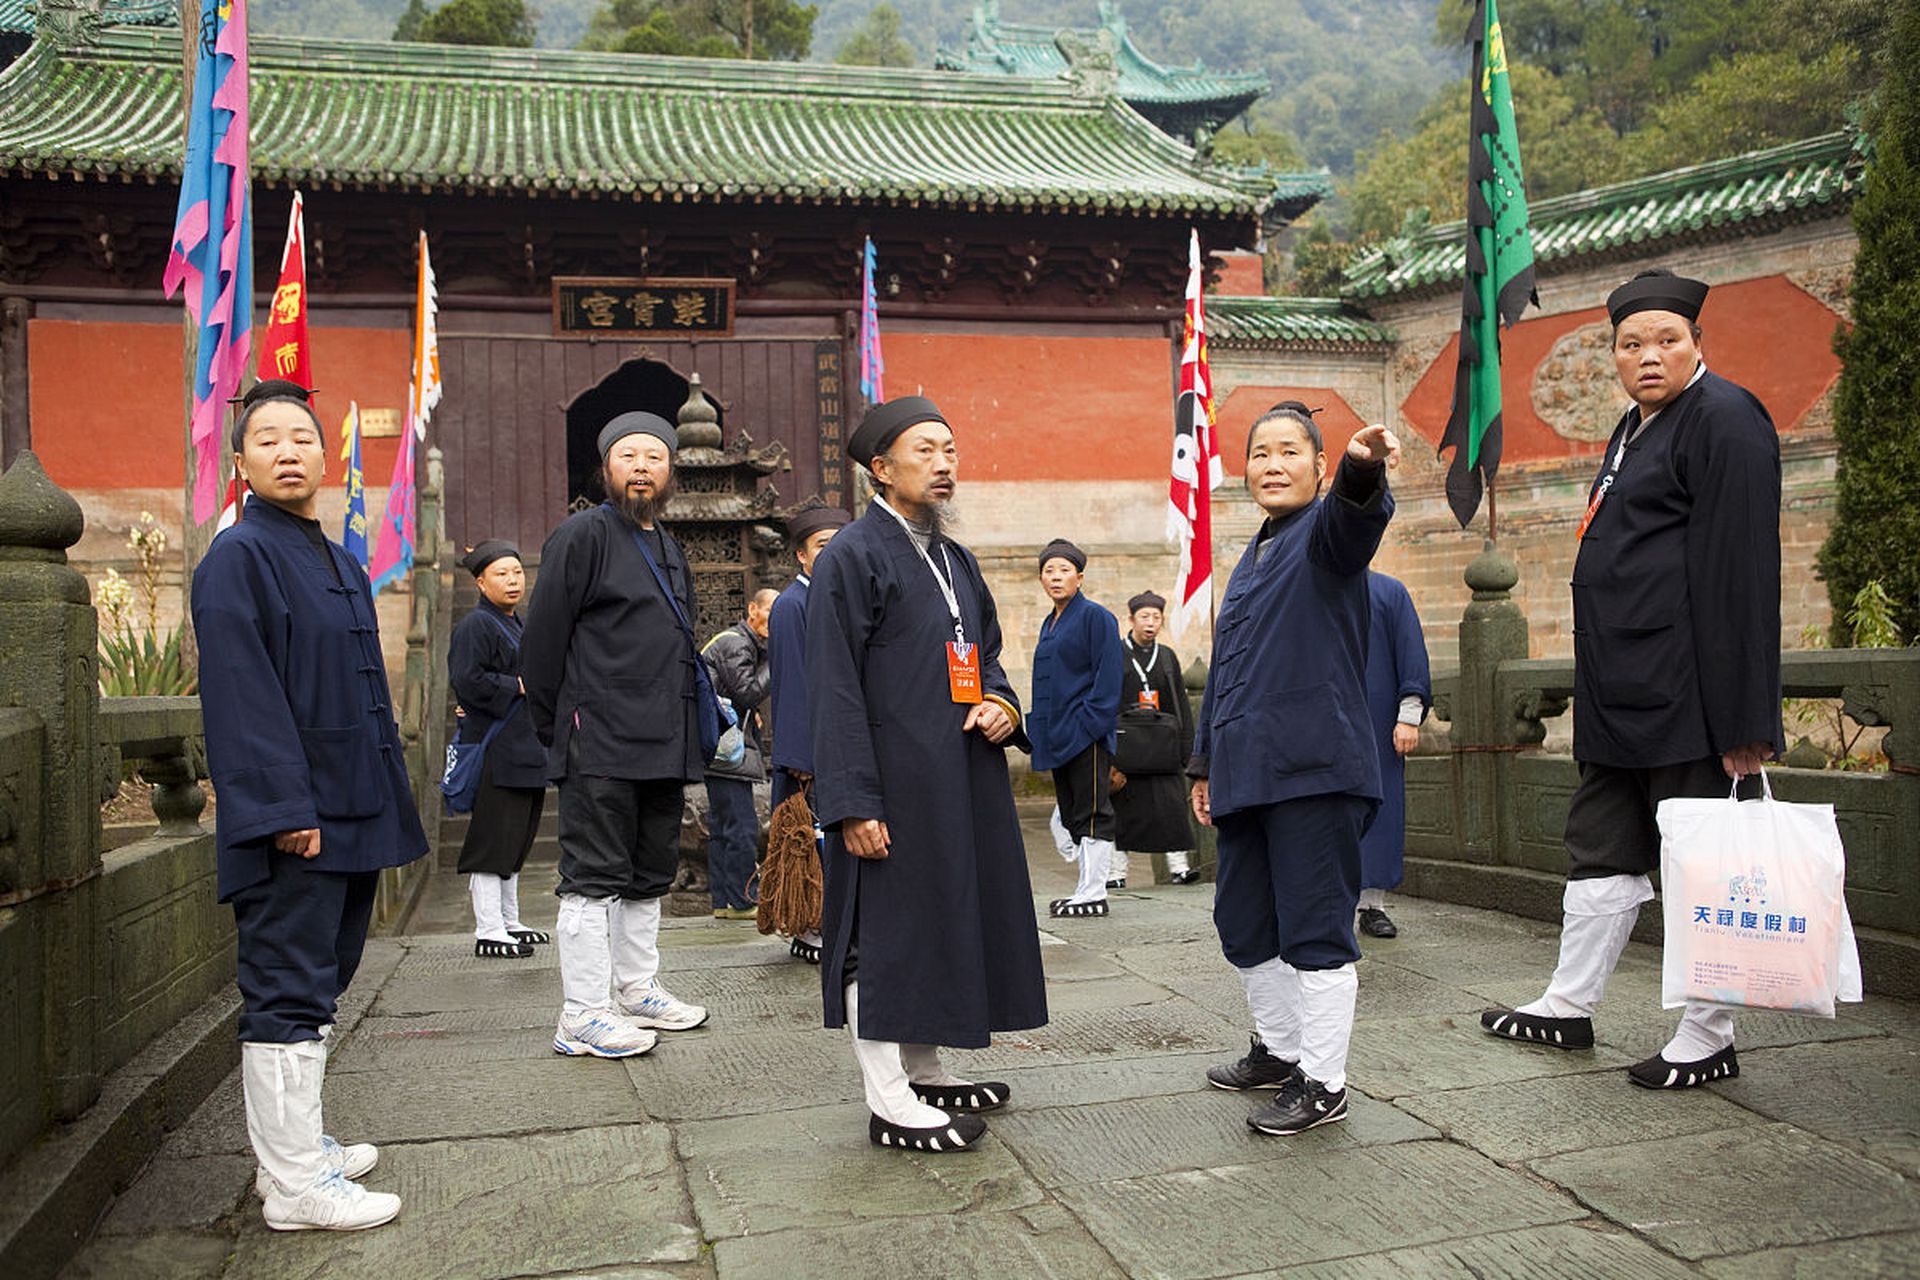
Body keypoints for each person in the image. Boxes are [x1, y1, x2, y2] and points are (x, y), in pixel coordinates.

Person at [1480, 269, 1783, 1089]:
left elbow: (1742, 575)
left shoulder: (1726, 419)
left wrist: (1747, 717)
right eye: (1630, 344)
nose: (1647, 356)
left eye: (1666, 340)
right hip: (1620, 689)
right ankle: (1568, 1005)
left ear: (1698, 345)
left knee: (1700, 865)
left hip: (1693, 693)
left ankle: (1708, 1034)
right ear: (1613, 355)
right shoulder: (1632, 427)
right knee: (1602, 846)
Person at [193, 379, 428, 1231]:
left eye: (301, 437)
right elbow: (242, 697)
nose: (288, 451)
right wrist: (281, 810)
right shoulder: (237, 557)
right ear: (242, 461)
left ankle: (299, 1150)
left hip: (350, 809)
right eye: (268, 441)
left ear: (323, 455)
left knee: (325, 981)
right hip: (295, 818)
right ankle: (293, 1188)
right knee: (287, 990)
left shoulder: (332, 555)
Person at [806, 395, 1047, 1152]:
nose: (944, 464)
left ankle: (923, 1066)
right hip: (890, 785)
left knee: (941, 921)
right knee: (882, 936)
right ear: (881, 468)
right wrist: (851, 801)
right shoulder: (851, 555)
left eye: (950, 449)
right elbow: (834, 687)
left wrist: (1004, 703)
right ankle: (888, 1100)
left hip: (959, 780)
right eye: (925, 451)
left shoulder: (954, 557)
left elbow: (990, 655)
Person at [1189, 402, 1399, 1137]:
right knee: (1243, 922)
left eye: (1289, 452)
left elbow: (1356, 516)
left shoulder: (1325, 536)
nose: (1272, 465)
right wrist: (1203, 765)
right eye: (1259, 454)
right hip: (1247, 773)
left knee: (1314, 930)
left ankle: (1325, 1080)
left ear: (1316, 465)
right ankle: (1279, 1051)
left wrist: (1363, 469)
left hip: (1314, 768)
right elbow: (1224, 674)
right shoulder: (1253, 554)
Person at [520, 410, 711, 1060]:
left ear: (669, 472)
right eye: (627, 455)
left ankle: (635, 989)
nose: (641, 467)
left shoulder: (669, 546)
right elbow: (542, 644)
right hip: (598, 738)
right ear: (605, 469)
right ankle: (582, 1013)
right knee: (592, 877)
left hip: (664, 739)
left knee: (650, 873)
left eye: (653, 457)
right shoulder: (582, 535)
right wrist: (562, 728)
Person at [449, 539, 551, 959]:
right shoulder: (476, 625)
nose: (512, 581)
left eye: (517, 572)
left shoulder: (516, 623)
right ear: (480, 581)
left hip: (525, 748)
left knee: (517, 838)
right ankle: (488, 927)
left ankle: (509, 920)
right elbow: (468, 680)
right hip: (497, 749)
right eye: (501, 574)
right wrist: (518, 685)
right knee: (493, 838)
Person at [767, 503, 851, 963]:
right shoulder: (791, 605)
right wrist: (801, 758)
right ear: (801, 555)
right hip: (812, 753)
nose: (833, 551)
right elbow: (793, 686)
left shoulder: (838, 599)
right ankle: (811, 927)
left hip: (841, 744)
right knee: (811, 840)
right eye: (822, 545)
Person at [1029, 540, 1124, 917]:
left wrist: (1090, 723)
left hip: (1086, 732)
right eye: (1049, 571)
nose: (1056, 577)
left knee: (1092, 810)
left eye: (1064, 570)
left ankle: (1094, 890)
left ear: (1079, 577)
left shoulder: (1096, 617)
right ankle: (1083, 886)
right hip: (1056, 734)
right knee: (1071, 813)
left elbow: (1108, 676)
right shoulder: (1048, 623)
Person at [1355, 572, 1431, 939]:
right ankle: (1330, 903)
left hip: (1377, 719)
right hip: (1323, 723)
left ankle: (1372, 905)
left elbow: (1410, 649)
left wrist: (1409, 715)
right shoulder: (1309, 588)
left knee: (1380, 813)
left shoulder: (1388, 591)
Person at [1109, 590, 1200, 888]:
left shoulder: (1167, 656)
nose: (1150, 623)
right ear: (1131, 619)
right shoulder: (1115, 653)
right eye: (1144, 617)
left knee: (1171, 808)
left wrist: (1188, 750)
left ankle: (1179, 867)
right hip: (1128, 746)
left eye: (1156, 617)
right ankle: (1116, 873)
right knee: (1122, 811)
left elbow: (1180, 705)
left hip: (1162, 747)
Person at [702, 588, 777, 920]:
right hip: (727, 750)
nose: (775, 621)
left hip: (717, 745)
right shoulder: (737, 642)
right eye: (770, 612)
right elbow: (746, 692)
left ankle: (723, 900)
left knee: (722, 826)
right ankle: (743, 899)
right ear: (752, 610)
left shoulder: (736, 641)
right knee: (742, 827)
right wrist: (777, 661)